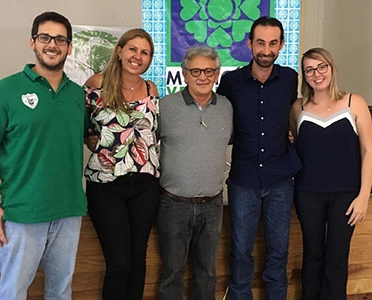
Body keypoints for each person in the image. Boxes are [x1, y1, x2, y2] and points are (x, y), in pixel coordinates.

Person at [0, 11, 87, 299]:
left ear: (70, 47)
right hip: (23, 213)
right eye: (45, 37)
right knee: (13, 292)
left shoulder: (77, 95)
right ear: (32, 42)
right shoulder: (4, 91)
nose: (53, 44)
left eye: (60, 39)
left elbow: (88, 136)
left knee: (61, 292)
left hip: (68, 211)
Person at [216, 16, 301, 300]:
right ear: (250, 44)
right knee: (240, 252)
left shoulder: (290, 78)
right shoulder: (231, 81)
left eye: (273, 43)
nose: (266, 50)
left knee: (279, 252)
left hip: (280, 179)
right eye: (261, 43)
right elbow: (219, 122)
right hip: (243, 180)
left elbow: (297, 115)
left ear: (282, 45)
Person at [289, 47, 372, 300]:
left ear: (332, 68)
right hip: (307, 193)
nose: (316, 74)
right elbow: (296, 145)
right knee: (312, 255)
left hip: (346, 195)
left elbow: (369, 152)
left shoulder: (354, 103)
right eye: (309, 70)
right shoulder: (298, 107)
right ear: (304, 76)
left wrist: (364, 196)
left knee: (337, 257)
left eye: (321, 67)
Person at [83, 28, 160, 300]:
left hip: (145, 185)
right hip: (106, 186)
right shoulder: (97, 84)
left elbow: (154, 134)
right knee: (119, 263)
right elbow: (81, 127)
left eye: (145, 52)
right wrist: (91, 138)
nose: (137, 57)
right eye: (133, 49)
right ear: (119, 50)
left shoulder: (151, 89)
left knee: (138, 259)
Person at [156, 46, 233, 300]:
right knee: (172, 273)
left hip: (212, 204)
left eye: (209, 71)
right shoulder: (164, 107)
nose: (203, 77)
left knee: (207, 272)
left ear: (217, 74)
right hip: (173, 204)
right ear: (185, 74)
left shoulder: (227, 107)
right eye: (196, 71)